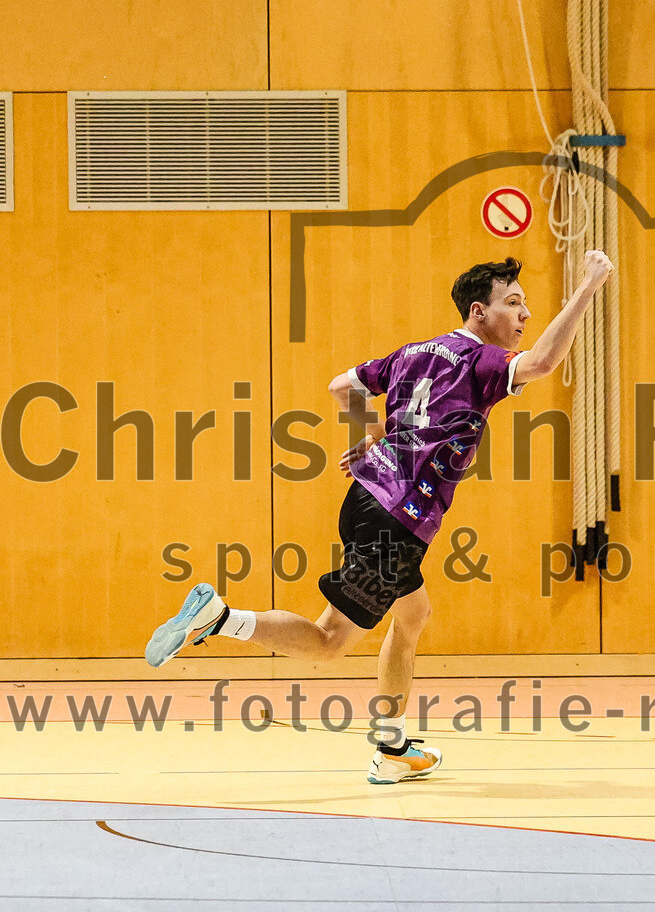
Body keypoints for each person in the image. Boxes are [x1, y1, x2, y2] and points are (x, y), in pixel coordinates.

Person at [145, 249, 614, 783]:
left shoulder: (415, 353)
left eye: (524, 304)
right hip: (398, 520)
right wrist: (588, 286)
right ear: (478, 312)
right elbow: (544, 362)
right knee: (330, 641)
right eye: (513, 302)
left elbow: (341, 387)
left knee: (413, 615)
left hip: (366, 499)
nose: (525, 313)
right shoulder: (481, 362)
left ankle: (392, 749)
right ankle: (220, 619)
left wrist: (373, 436)